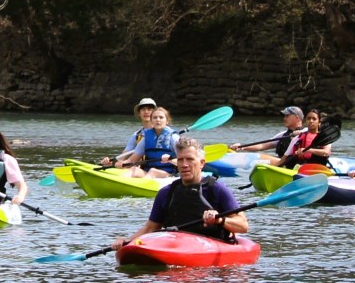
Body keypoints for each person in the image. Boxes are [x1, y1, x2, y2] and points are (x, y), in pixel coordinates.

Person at [112, 137, 249, 250]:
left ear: (201, 163)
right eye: (180, 160)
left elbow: (243, 226)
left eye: (190, 159)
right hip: (176, 247)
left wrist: (220, 219)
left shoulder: (217, 189)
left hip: (210, 247)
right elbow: (151, 228)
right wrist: (127, 241)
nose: (184, 164)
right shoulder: (166, 193)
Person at [230, 106, 306, 166]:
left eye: (287, 116)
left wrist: (301, 133)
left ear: (297, 117)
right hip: (282, 164)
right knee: (258, 160)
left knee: (261, 159)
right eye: (284, 116)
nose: (284, 118)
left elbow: (311, 132)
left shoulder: (306, 131)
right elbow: (262, 145)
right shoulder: (282, 135)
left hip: (298, 165)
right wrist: (242, 147)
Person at [121, 107, 179, 178]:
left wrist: (170, 160)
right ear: (151, 121)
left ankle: (142, 184)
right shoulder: (146, 138)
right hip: (148, 172)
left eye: (161, 117)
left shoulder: (174, 138)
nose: (158, 120)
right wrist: (122, 163)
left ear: (167, 121)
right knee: (134, 169)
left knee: (153, 172)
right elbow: (132, 159)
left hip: (170, 174)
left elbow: (184, 161)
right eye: (155, 118)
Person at [99, 98, 156, 168]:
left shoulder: (162, 133)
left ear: (155, 113)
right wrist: (110, 162)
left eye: (149, 109)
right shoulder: (137, 135)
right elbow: (123, 157)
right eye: (143, 109)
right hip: (141, 168)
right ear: (139, 113)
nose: (146, 112)